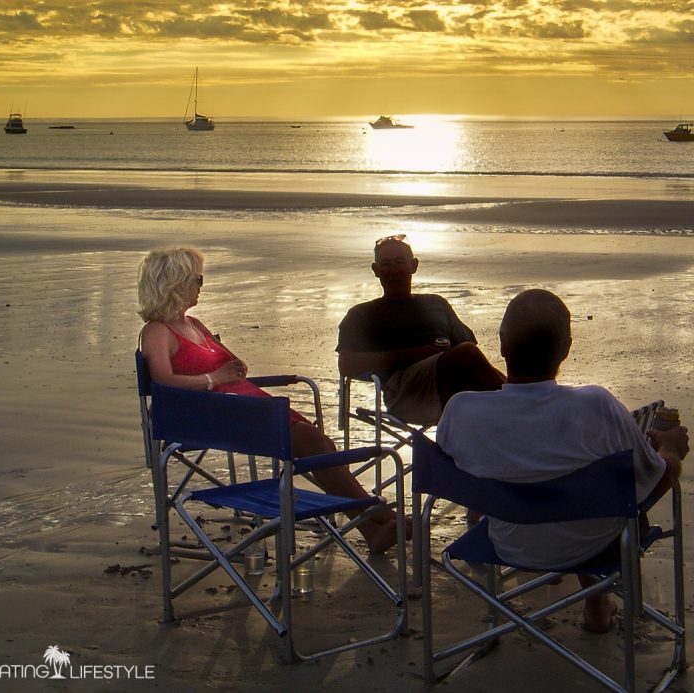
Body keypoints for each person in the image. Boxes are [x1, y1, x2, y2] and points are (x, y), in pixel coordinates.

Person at [437, 288, 688, 633]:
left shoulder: (462, 410)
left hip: (507, 542)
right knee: (591, 487)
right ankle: (597, 603)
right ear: (567, 349)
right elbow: (655, 481)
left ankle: (593, 601)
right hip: (594, 546)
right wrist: (671, 450)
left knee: (552, 475)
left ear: (501, 344)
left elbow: (460, 475)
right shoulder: (596, 406)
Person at [137, 246, 404, 554]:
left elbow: (226, 364)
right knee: (311, 441)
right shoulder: (156, 331)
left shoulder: (194, 324)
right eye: (196, 279)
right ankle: (378, 516)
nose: (201, 285)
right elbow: (163, 381)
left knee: (319, 442)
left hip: (247, 407)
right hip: (212, 418)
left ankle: (372, 528)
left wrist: (232, 366)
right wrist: (215, 378)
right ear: (176, 282)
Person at [336, 234, 505, 425]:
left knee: (473, 368)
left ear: (413, 265)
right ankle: (522, 404)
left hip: (452, 383)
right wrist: (409, 355)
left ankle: (517, 400)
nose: (393, 270)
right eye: (386, 264)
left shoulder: (436, 304)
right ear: (376, 270)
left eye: (400, 262)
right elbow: (346, 364)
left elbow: (472, 353)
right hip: (405, 393)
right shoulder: (362, 314)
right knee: (466, 356)